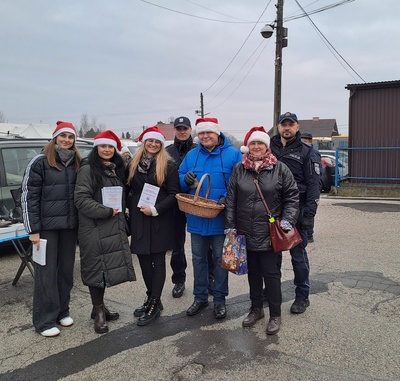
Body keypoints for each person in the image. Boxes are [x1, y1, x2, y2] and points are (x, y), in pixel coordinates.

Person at [225, 126, 299, 334]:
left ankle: (275, 314)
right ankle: (256, 309)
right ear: (247, 147)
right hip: (245, 231)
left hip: (269, 233)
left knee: (271, 274)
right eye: (252, 144)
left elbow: (292, 197)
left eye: (260, 143)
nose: (256, 147)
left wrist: (288, 220)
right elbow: (231, 199)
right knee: (254, 274)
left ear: (266, 146)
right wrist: (230, 226)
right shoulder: (239, 169)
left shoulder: (280, 168)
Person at [21, 121, 82, 337]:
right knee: (46, 274)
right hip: (46, 230)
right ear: (55, 137)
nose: (67, 140)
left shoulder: (77, 163)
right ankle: (44, 321)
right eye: (63, 136)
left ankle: (62, 311)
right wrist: (33, 229)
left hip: (69, 228)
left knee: (66, 272)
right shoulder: (40, 162)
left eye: (70, 137)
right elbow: (29, 197)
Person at [179, 117, 242, 320]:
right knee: (198, 259)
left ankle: (220, 300)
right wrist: (184, 180)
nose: (206, 136)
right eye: (202, 133)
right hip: (197, 218)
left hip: (220, 218)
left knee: (219, 260)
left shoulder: (232, 154)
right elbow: (179, 179)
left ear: (217, 134)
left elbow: (241, 182)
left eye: (210, 133)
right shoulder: (191, 155)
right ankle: (200, 297)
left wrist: (229, 197)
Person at [74, 130, 136, 334]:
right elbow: (81, 200)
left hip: (111, 225)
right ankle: (99, 312)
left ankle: (99, 307)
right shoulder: (88, 169)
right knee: (96, 268)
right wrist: (107, 211)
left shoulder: (117, 169)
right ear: (97, 148)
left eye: (110, 146)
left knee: (104, 267)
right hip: (94, 227)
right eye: (103, 146)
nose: (107, 150)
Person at [268, 112, 321, 314]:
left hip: (297, 212)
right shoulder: (269, 148)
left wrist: (309, 214)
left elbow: (314, 185)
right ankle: (272, 291)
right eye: (283, 125)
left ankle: (302, 295)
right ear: (278, 127)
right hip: (273, 212)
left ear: (297, 127)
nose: (287, 128)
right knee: (273, 255)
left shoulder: (307, 152)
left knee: (298, 256)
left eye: (291, 125)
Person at [126, 126, 180, 326]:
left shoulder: (168, 165)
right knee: (144, 261)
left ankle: (155, 303)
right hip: (139, 218)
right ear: (144, 142)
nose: (153, 144)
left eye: (157, 142)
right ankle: (152, 297)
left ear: (161, 144)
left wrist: (156, 209)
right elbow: (127, 188)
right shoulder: (133, 163)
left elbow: (174, 194)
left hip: (159, 218)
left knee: (157, 261)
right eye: (150, 141)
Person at [300, 132, 322, 243]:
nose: (303, 143)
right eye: (301, 141)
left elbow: (316, 173)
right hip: (307, 184)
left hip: (312, 184)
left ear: (310, 141)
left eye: (305, 141)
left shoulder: (313, 153)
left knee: (309, 209)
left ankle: (309, 234)